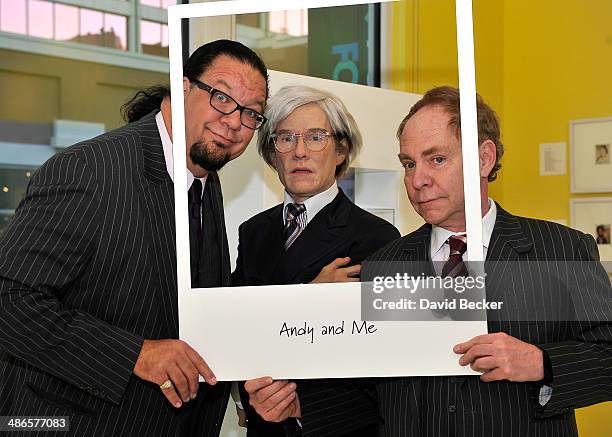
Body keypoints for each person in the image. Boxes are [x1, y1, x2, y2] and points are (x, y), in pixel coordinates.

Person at [0, 39, 268, 436]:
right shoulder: (89, 169)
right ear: (181, 89)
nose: (233, 121)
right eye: (221, 97)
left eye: (251, 114)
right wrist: (134, 355)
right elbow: (10, 299)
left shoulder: (204, 178)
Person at [369, 86, 612, 436]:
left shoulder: (562, 249)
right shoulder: (384, 265)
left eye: (437, 159)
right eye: (409, 163)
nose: (417, 179)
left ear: (484, 158)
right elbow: (367, 384)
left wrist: (542, 363)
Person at [231, 85, 400, 436]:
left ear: (341, 150)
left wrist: (301, 407)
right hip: (264, 423)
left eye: (315, 137)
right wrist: (312, 297)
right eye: (285, 138)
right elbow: (235, 326)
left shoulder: (376, 237)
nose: (299, 152)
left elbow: (380, 364)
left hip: (332, 425)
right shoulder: (254, 232)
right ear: (271, 154)